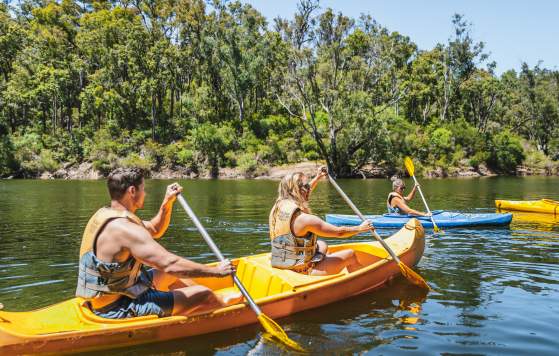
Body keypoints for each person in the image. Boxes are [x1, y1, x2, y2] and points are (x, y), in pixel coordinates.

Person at [76, 167, 242, 319]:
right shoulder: (126, 229)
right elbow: (170, 263)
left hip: (119, 294)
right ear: (132, 191)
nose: (145, 193)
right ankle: (220, 307)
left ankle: (193, 304)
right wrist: (216, 271)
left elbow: (155, 229)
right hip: (117, 307)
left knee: (171, 275)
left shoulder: (108, 216)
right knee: (203, 293)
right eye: (143, 189)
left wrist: (167, 202)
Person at [269, 167, 372, 276]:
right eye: (306, 186)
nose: (309, 187)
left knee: (322, 244)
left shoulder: (278, 207)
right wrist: (360, 228)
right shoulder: (305, 219)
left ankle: (327, 265)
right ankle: (364, 279)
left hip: (281, 263)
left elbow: (305, 193)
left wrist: (318, 177)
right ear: (298, 190)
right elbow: (339, 232)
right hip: (302, 271)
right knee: (350, 255)